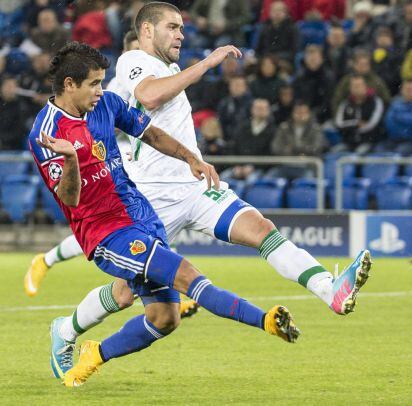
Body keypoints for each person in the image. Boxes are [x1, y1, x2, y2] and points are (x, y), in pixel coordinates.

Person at [28, 2, 372, 381]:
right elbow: (150, 95)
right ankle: (67, 330)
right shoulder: (132, 61)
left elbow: (154, 128)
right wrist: (207, 64)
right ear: (146, 31)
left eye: (182, 28)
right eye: (172, 27)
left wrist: (192, 157)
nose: (181, 34)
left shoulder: (160, 72)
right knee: (126, 294)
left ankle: (329, 289)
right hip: (152, 197)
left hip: (191, 188)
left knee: (260, 229)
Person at [29, 41, 299, 388]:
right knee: (188, 276)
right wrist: (69, 159)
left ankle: (93, 353)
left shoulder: (107, 104)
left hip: (141, 214)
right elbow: (69, 197)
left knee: (164, 318)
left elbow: (150, 132)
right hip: (106, 232)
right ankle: (265, 320)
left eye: (101, 81)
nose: (102, 90)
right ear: (69, 84)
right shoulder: (46, 132)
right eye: (94, 84)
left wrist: (191, 158)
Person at [333, 75, 385, 153]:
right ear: (350, 88)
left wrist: (351, 128)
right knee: (334, 152)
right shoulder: (345, 104)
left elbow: (373, 124)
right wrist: (356, 124)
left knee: (359, 153)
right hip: (349, 142)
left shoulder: (376, 101)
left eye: (359, 85)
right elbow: (339, 124)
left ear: (365, 86)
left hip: (369, 142)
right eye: (354, 86)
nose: (357, 88)